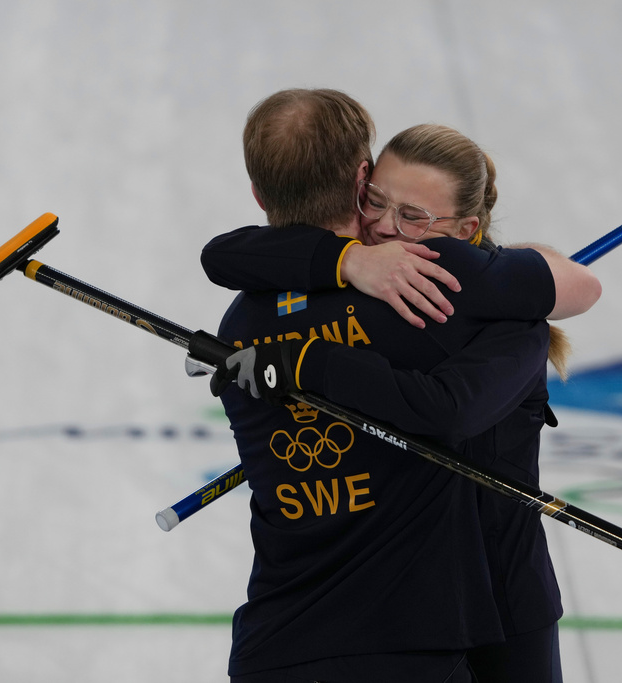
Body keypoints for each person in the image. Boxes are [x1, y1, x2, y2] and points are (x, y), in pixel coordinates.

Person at [204, 89, 599, 683]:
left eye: (414, 217)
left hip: (287, 639)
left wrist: (311, 349)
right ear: (362, 180)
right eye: (382, 205)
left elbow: (221, 255)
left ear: (258, 193)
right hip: (424, 629)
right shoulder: (447, 288)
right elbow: (575, 290)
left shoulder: (242, 321)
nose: (390, 229)